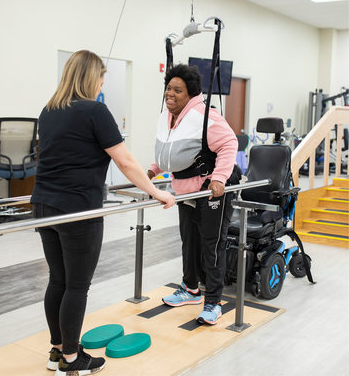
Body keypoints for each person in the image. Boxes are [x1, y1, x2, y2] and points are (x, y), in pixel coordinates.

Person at [31, 50, 175, 375]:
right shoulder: (96, 110)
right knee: (76, 285)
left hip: (44, 206)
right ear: (91, 78)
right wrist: (156, 193)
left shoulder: (49, 110)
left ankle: (57, 351)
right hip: (77, 209)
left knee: (58, 279)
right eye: (100, 78)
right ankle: (71, 359)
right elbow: (125, 161)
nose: (100, 85)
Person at [147, 63, 240, 325]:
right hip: (185, 189)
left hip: (211, 189)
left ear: (191, 94)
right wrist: (153, 170)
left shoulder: (203, 115)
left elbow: (229, 143)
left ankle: (213, 302)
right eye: (168, 88)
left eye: (178, 90)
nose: (170, 94)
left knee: (211, 245)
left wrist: (219, 178)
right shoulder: (167, 116)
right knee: (189, 240)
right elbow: (169, 152)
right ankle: (190, 289)